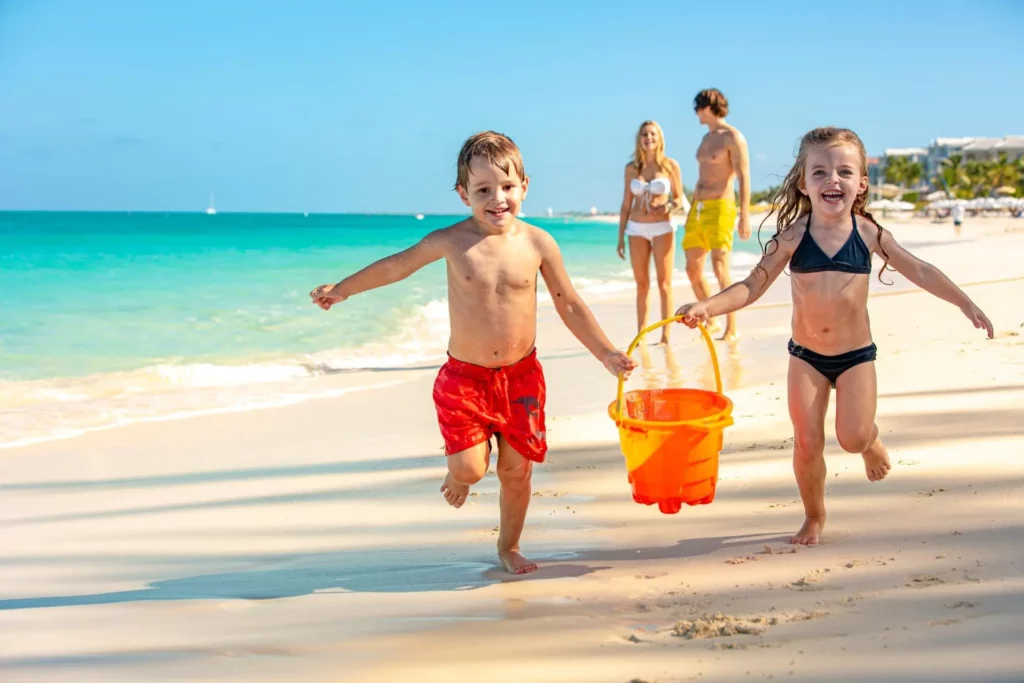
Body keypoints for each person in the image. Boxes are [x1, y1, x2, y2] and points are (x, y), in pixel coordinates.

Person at [310, 131, 637, 574]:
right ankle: (457, 474)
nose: (497, 199)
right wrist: (342, 289)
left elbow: (570, 303)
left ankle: (509, 546)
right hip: (465, 380)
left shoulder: (539, 244)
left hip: (521, 378)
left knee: (516, 472)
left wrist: (605, 352)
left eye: (507, 187)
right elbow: (396, 267)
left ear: (525, 186)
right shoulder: (451, 241)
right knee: (469, 470)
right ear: (464, 194)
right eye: (483, 190)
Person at [674, 126, 993, 546]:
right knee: (807, 443)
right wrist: (707, 306)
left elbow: (919, 269)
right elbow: (752, 285)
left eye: (844, 171)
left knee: (852, 436)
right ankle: (814, 516)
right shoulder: (792, 237)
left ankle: (871, 441)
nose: (832, 180)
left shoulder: (868, 233)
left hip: (856, 356)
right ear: (804, 183)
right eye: (820, 172)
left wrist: (963, 302)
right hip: (805, 356)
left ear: (861, 183)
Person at [682, 88, 752, 342]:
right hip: (698, 208)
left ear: (707, 107)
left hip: (722, 206)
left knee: (720, 267)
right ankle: (709, 320)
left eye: (697, 109)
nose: (696, 115)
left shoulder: (732, 137)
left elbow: (743, 176)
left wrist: (744, 214)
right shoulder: (705, 138)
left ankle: (731, 327)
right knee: (692, 268)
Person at [617, 121, 688, 345]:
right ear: (639, 139)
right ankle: (640, 334)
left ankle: (666, 335)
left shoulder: (670, 166)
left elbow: (679, 199)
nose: (649, 138)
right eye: (645, 134)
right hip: (636, 228)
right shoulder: (631, 169)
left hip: (662, 228)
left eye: (653, 134)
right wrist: (620, 237)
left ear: (660, 138)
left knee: (664, 283)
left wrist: (667, 207)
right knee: (641, 284)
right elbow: (626, 204)